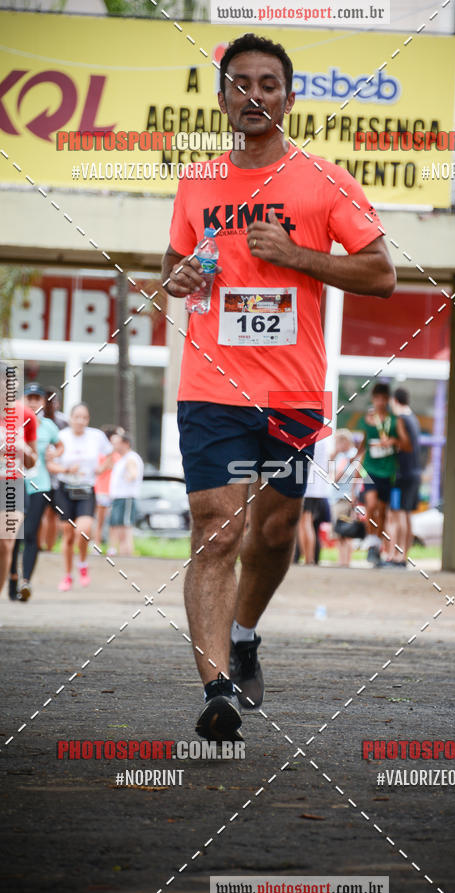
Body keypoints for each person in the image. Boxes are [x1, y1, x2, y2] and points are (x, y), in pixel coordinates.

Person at [162, 32, 395, 742]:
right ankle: (215, 691)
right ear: (223, 95)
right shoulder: (199, 180)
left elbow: (381, 275)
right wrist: (178, 280)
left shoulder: (324, 181)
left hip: (291, 391)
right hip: (210, 383)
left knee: (273, 528)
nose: (254, 95)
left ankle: (245, 634)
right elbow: (171, 268)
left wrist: (296, 255)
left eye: (268, 84)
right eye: (240, 83)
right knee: (216, 524)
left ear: (288, 98)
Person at [48, 403, 112, 591]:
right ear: (71, 418)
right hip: (64, 489)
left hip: (85, 490)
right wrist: (67, 469)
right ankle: (68, 575)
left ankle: (82, 564)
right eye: (77, 417)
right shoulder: (61, 437)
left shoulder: (96, 436)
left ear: (88, 419)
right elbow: (50, 464)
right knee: (68, 534)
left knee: (82, 531)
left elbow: (110, 454)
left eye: (84, 418)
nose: (81, 421)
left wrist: (102, 468)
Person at [11, 384, 62, 602]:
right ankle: (12, 578)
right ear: (22, 399)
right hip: (13, 483)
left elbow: (60, 446)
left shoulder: (49, 426)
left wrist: (53, 455)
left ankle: (26, 581)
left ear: (43, 402)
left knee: (30, 533)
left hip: (39, 486)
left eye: (37, 399)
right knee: (12, 536)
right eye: (29, 398)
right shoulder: (12, 421)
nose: (33, 402)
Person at [356, 383, 410, 566]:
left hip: (388, 471)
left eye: (383, 398)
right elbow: (364, 442)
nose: (379, 402)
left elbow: (407, 445)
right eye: (376, 398)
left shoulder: (395, 421)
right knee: (370, 504)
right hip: (370, 468)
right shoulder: (368, 420)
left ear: (387, 400)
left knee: (382, 510)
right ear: (373, 399)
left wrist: (394, 440)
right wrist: (356, 460)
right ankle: (371, 540)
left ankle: (377, 543)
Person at [1, 363, 37, 600]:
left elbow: (33, 461)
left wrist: (23, 451)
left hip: (12, 485)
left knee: (6, 544)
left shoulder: (25, 415)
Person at [388, 387, 422, 567]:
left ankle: (396, 555)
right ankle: (404, 555)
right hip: (415, 472)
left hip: (402, 473)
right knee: (407, 515)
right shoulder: (414, 419)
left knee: (398, 514)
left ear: (394, 400)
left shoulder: (400, 420)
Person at [38, 387, 68, 552]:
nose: (50, 404)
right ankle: (37, 545)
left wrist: (55, 455)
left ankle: (49, 547)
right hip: (38, 474)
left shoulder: (64, 422)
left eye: (53, 401)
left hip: (57, 477)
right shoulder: (36, 420)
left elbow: (65, 446)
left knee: (53, 514)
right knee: (39, 512)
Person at [107, 432, 144, 556]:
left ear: (125, 444)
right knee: (118, 527)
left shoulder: (130, 458)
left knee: (124, 529)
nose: (114, 446)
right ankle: (121, 554)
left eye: (117, 443)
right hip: (119, 498)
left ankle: (127, 556)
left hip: (126, 498)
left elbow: (133, 473)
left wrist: (129, 477)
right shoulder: (122, 458)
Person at [297, 435, 331, 565]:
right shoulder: (323, 440)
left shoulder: (310, 438)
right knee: (307, 522)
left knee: (304, 522)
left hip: (308, 486)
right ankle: (308, 558)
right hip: (316, 488)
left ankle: (307, 557)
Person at [329, 429, 358, 567]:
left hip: (343, 498)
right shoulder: (344, 456)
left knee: (344, 531)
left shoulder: (350, 456)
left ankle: (344, 561)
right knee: (342, 532)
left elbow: (335, 477)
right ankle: (343, 561)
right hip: (339, 497)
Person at [94, 426, 123, 546]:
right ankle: (96, 544)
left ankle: (112, 547)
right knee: (99, 520)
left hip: (114, 492)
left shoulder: (120, 456)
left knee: (113, 522)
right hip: (102, 490)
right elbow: (100, 469)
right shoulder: (103, 455)